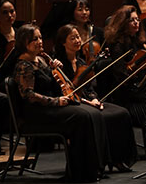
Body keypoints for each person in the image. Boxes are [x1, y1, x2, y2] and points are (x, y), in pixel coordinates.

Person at [12, 24, 107, 182]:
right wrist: (56, 101)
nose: (40, 41)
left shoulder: (41, 60)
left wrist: (54, 69)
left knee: (91, 113)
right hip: (36, 114)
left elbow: (56, 84)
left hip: (49, 108)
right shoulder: (24, 65)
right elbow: (28, 95)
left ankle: (93, 169)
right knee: (81, 117)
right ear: (24, 42)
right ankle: (78, 172)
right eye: (34, 39)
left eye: (40, 37)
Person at [53, 24, 136, 171]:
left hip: (88, 101)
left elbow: (90, 87)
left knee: (121, 113)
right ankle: (102, 161)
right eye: (72, 38)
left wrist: (94, 99)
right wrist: (87, 102)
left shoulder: (82, 62)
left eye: (78, 37)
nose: (78, 40)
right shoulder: (59, 65)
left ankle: (118, 159)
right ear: (63, 43)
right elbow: (62, 92)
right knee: (99, 116)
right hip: (73, 104)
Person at [101, 5, 146, 155]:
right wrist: (136, 75)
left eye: (137, 20)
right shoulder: (117, 46)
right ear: (123, 23)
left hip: (136, 93)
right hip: (124, 98)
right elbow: (121, 76)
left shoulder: (135, 42)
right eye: (131, 20)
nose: (136, 23)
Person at [68, 0, 104, 64]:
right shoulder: (68, 34)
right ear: (72, 12)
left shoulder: (98, 32)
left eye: (87, 9)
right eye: (80, 10)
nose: (84, 12)